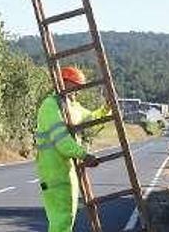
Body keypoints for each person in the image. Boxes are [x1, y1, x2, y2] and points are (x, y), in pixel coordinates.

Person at [35, 66, 110, 232]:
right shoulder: (51, 105)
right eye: (75, 85)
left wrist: (106, 109)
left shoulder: (71, 106)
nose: (78, 90)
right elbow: (62, 141)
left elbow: (91, 118)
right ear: (63, 82)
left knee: (66, 219)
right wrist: (84, 155)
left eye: (79, 86)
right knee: (61, 221)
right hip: (54, 173)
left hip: (66, 171)